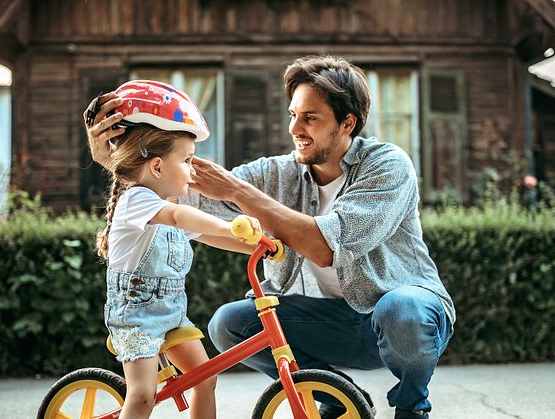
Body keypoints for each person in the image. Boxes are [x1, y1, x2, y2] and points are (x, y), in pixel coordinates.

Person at [86, 56, 455, 419]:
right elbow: (170, 190)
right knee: (230, 323)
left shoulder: (387, 165)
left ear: (347, 123)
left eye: (310, 118)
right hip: (332, 321)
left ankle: (411, 406)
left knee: (402, 310)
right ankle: (331, 392)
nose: (296, 128)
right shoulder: (276, 173)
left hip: (397, 317)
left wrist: (239, 193)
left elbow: (326, 247)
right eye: (293, 115)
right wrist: (119, 162)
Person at [90, 80, 261, 419]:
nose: (192, 169)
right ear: (156, 167)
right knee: (142, 396)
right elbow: (180, 216)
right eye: (187, 160)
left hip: (171, 316)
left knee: (205, 376)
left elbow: (211, 236)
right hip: (135, 319)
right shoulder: (138, 200)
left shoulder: (164, 202)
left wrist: (257, 245)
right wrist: (229, 224)